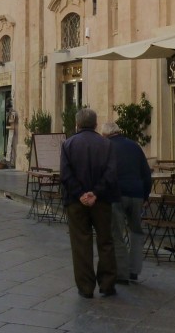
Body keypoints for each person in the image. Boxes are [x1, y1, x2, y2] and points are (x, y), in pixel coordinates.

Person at [60, 108, 118, 298]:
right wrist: (95, 193)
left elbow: (65, 175)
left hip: (76, 203)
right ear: (95, 124)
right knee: (106, 241)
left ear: (77, 124)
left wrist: (80, 194)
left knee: (81, 243)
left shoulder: (68, 145)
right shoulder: (106, 144)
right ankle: (107, 284)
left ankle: (85, 287)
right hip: (101, 201)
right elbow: (111, 173)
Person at [102, 122, 152, 285]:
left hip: (117, 195)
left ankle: (121, 273)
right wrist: (145, 196)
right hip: (137, 194)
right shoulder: (134, 146)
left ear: (105, 134)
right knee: (136, 232)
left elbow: (103, 173)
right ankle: (134, 270)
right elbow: (146, 173)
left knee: (117, 233)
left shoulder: (106, 147)